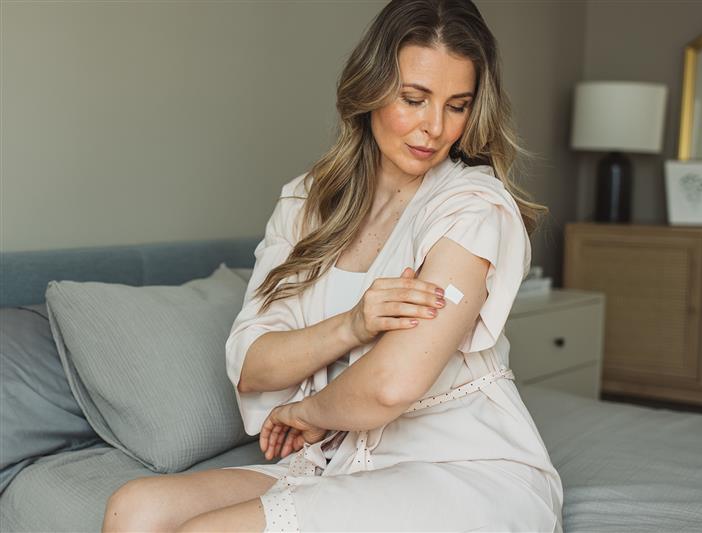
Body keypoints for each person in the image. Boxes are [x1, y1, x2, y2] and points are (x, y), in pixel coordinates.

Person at [102, 0, 562, 531]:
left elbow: (393, 383)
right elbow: (253, 367)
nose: (434, 127)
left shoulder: (472, 208)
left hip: (461, 466)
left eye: (456, 106)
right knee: (134, 506)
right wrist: (355, 323)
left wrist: (305, 412)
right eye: (414, 99)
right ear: (369, 89)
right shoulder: (306, 203)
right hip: (338, 460)